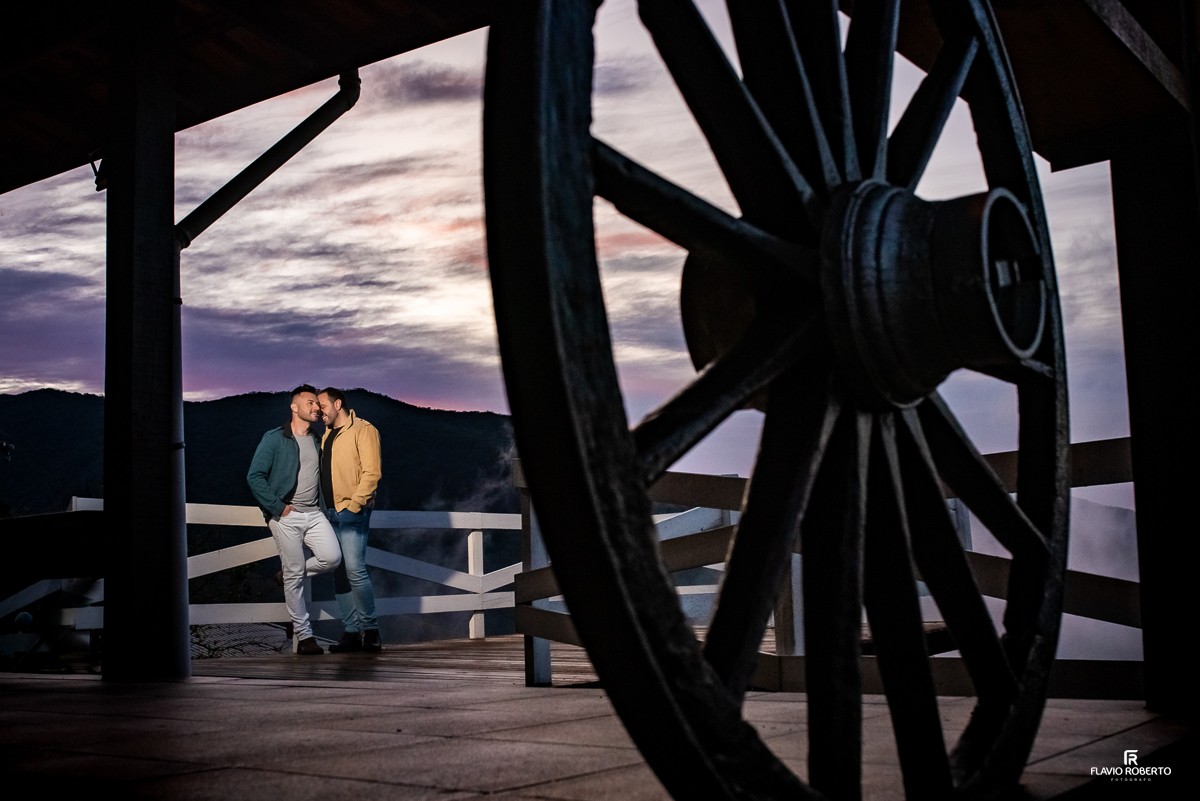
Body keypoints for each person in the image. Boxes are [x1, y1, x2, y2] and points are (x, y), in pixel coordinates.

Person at [247, 385, 342, 655]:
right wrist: (279, 508)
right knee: (295, 574)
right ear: (294, 406)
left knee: (331, 558)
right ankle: (304, 636)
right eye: (310, 402)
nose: (316, 407)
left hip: (315, 513)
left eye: (317, 404)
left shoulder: (316, 439)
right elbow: (254, 477)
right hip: (285, 516)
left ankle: (285, 577)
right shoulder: (275, 438)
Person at [318, 387, 383, 653]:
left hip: (351, 512)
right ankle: (351, 631)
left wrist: (354, 506)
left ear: (338, 403)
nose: (318, 411)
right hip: (329, 513)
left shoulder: (364, 430)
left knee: (355, 571)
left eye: (322, 405)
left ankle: (371, 632)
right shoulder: (327, 435)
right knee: (339, 573)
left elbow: (372, 472)